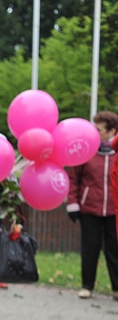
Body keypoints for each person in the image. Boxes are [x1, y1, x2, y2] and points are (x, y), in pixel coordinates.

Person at [67, 110, 118, 300]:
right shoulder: (86, 151)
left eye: (98, 129)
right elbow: (74, 179)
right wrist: (73, 203)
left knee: (115, 250)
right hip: (90, 209)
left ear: (112, 131)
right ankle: (87, 286)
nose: (93, 132)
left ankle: (116, 288)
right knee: (90, 249)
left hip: (115, 211)